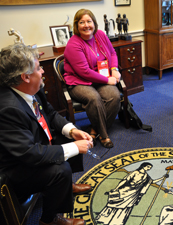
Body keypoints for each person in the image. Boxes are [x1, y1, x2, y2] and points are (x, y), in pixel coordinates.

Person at [0, 43, 94, 225]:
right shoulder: (8, 109)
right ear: (25, 77)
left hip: (33, 143)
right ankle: (50, 220)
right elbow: (29, 154)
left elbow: (50, 114)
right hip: (14, 169)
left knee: (69, 137)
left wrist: (73, 131)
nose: (42, 71)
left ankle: (65, 186)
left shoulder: (32, 88)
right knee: (60, 170)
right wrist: (74, 147)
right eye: (38, 68)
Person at [64, 9, 122, 148]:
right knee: (94, 98)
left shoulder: (100, 35)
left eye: (89, 21)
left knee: (114, 96)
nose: (86, 25)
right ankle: (104, 135)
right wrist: (108, 80)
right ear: (77, 26)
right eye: (82, 22)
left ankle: (95, 130)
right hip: (78, 81)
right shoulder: (73, 44)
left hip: (100, 78)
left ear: (94, 23)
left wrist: (114, 69)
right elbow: (84, 72)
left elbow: (112, 53)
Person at [96, 162, 168, 224]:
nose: (149, 168)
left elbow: (151, 182)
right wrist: (116, 188)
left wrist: (162, 177)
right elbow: (124, 180)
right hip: (125, 191)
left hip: (134, 194)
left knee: (127, 207)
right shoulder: (135, 172)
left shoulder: (146, 176)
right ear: (143, 166)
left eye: (150, 167)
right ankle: (103, 219)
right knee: (115, 204)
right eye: (148, 167)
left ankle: (117, 222)